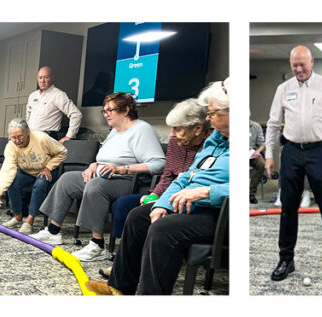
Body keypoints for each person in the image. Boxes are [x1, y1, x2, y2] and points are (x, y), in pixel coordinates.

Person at [86, 80, 229, 295]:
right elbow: (183, 177)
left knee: (163, 229)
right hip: (189, 203)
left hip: (218, 212)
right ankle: (120, 286)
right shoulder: (215, 140)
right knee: (138, 216)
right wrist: (161, 203)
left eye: (212, 113)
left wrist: (207, 191)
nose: (208, 118)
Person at [33, 92, 166, 262]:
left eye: (110, 110)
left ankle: (97, 245)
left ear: (125, 110)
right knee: (68, 180)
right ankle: (53, 231)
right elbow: (105, 157)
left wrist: (122, 169)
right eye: (104, 111)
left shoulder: (142, 129)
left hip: (129, 180)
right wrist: (94, 165)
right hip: (103, 175)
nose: (106, 114)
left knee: (96, 186)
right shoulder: (115, 131)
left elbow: (158, 163)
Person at [265, 45, 322, 283]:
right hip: (291, 151)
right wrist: (269, 154)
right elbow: (273, 123)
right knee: (288, 207)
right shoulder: (283, 89)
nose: (299, 69)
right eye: (295, 65)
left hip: (320, 150)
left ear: (312, 62)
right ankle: (286, 259)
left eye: (302, 64)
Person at [106, 98, 211, 271]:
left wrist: (163, 201)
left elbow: (197, 181)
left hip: (191, 199)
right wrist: (155, 194)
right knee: (126, 205)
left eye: (177, 128)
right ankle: (124, 264)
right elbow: (168, 175)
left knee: (147, 216)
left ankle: (146, 263)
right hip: (170, 192)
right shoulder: (176, 142)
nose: (172, 134)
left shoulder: (210, 146)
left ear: (198, 129)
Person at [0, 119, 67, 234]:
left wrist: (49, 167)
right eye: (13, 138)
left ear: (28, 133)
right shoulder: (11, 146)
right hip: (27, 172)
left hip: (46, 171)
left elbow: (62, 152)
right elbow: (8, 169)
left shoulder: (41, 138)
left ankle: (30, 221)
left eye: (20, 137)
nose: (17, 141)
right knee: (13, 183)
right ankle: (17, 216)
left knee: (39, 185)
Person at [26, 66, 83, 143]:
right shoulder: (33, 95)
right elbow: (28, 116)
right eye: (40, 78)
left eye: (46, 77)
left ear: (52, 78)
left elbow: (76, 114)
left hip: (47, 138)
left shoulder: (58, 95)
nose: (42, 81)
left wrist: (69, 136)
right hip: (31, 137)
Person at [249, 109, 266, 204]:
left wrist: (257, 151)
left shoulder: (256, 126)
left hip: (252, 152)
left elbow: (262, 144)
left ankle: (251, 192)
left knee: (261, 164)